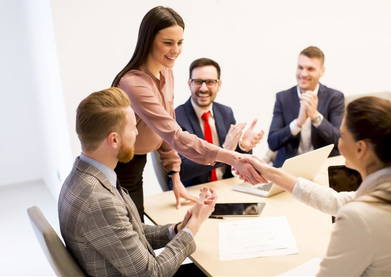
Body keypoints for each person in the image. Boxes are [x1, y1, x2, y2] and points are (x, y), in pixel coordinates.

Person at [111, 6, 264, 218]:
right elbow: (174, 135)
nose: (176, 50)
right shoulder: (134, 83)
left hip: (137, 164)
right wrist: (232, 156)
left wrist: (174, 176)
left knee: (137, 227)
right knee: (131, 232)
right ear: (148, 40)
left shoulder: (166, 72)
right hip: (119, 167)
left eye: (180, 42)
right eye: (167, 43)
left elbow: (164, 131)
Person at [247, 96, 391, 277]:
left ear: (361, 148)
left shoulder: (358, 217)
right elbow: (336, 200)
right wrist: (270, 172)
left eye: (342, 135)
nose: (338, 141)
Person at [58, 87, 216, 277]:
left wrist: (177, 229)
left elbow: (131, 231)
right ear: (114, 140)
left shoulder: (84, 174)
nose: (137, 134)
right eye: (133, 127)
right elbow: (152, 275)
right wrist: (193, 227)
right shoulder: (98, 200)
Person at [175, 57, 264, 187]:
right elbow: (181, 169)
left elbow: (235, 160)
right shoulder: (176, 117)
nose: (204, 88)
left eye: (210, 82)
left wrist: (243, 147)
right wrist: (223, 151)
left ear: (219, 85)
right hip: (194, 191)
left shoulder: (225, 112)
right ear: (189, 84)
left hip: (226, 188)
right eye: (198, 82)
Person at [268, 46, 345, 167]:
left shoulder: (335, 97)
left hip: (323, 167)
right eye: (300, 67)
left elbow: (339, 141)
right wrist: (298, 123)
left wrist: (315, 116)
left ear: (322, 71)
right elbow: (272, 142)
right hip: (289, 168)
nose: (303, 74)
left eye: (310, 69)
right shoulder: (283, 98)